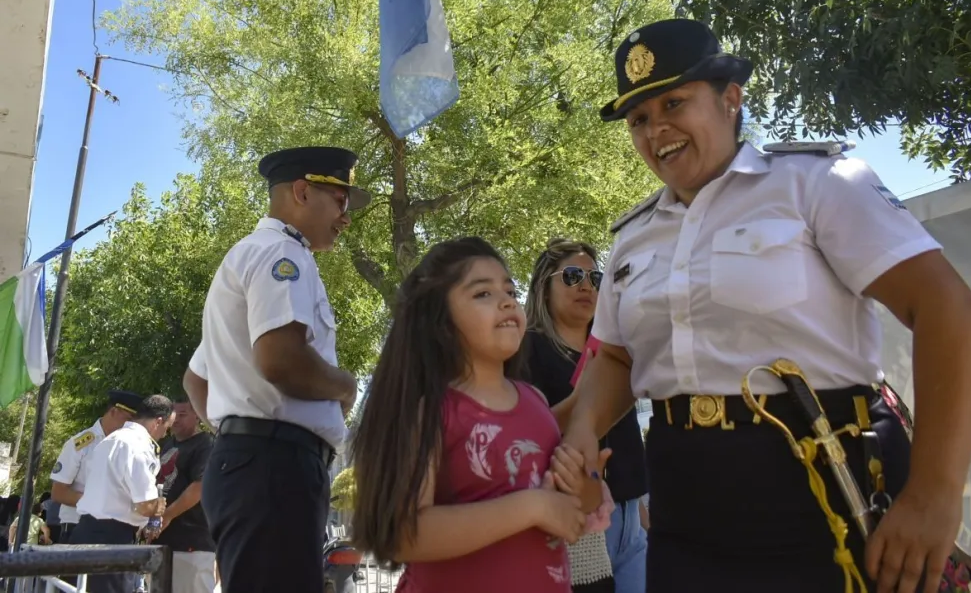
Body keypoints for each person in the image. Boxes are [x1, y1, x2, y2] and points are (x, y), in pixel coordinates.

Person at [559, 18, 971, 593]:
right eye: (639, 119)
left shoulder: (817, 183)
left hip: (821, 486)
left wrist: (934, 497)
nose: (657, 130)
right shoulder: (632, 237)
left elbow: (944, 307)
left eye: (675, 103)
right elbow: (615, 359)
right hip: (686, 511)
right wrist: (582, 423)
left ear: (730, 98)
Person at [351, 237, 604, 593]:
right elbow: (404, 533)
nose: (505, 301)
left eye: (509, 291)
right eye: (482, 294)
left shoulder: (537, 403)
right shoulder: (432, 413)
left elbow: (574, 507)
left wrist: (586, 484)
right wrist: (531, 507)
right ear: (440, 322)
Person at [192, 146, 366, 593]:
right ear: (303, 191)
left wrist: (237, 434)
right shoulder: (281, 256)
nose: (345, 218)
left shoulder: (254, 253)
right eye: (341, 201)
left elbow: (196, 378)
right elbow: (281, 359)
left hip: (257, 467)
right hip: (276, 469)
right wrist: (344, 387)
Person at [523, 239, 646, 593]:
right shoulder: (526, 349)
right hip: (575, 523)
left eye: (596, 277)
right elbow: (526, 433)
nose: (586, 285)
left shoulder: (616, 354)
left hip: (631, 520)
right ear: (544, 285)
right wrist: (581, 404)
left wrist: (639, 514)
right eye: (573, 275)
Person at [70, 395, 174, 593]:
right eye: (166, 427)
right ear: (158, 421)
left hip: (83, 532)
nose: (165, 433)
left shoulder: (109, 440)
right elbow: (145, 506)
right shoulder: (138, 447)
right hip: (112, 540)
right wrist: (158, 506)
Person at [49, 389, 144, 542]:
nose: (132, 426)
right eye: (129, 419)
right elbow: (58, 492)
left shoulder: (131, 446)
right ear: (114, 411)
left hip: (117, 530)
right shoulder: (80, 444)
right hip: (78, 526)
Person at [153, 397, 216, 593]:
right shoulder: (167, 444)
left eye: (183, 414)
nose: (176, 420)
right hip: (162, 541)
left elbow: (200, 486)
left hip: (192, 540)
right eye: (174, 415)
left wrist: (168, 515)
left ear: (197, 415)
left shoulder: (207, 444)